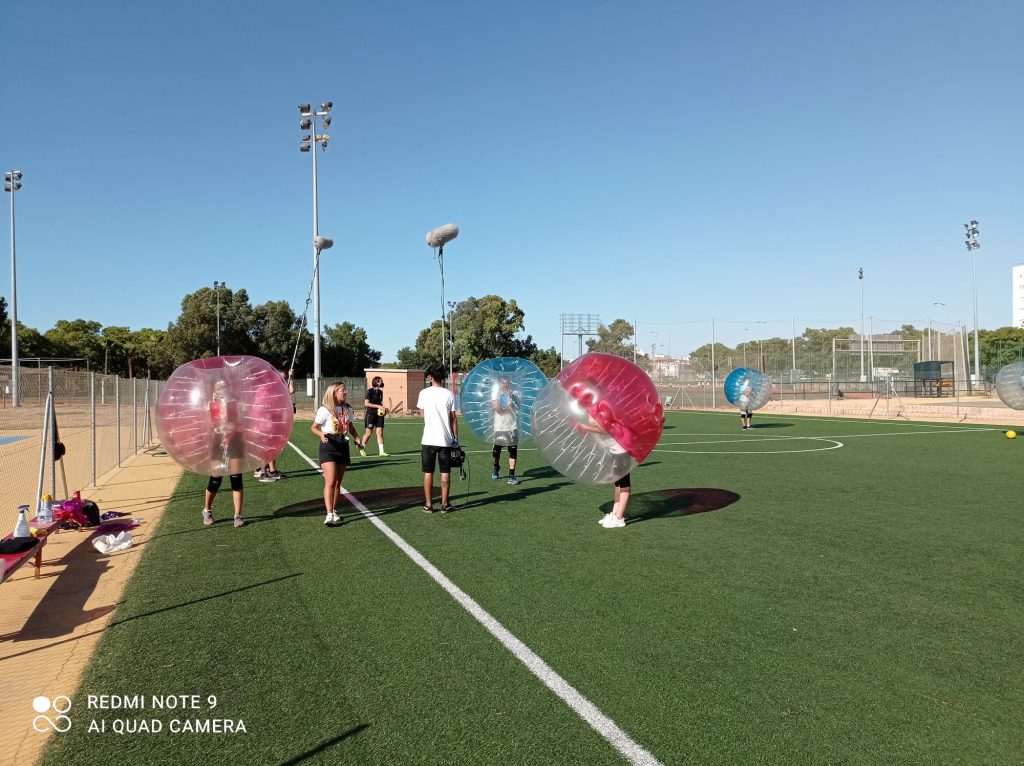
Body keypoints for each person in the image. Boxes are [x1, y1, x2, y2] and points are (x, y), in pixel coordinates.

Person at [311, 382, 366, 526]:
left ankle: (334, 511)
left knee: (337, 483)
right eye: (343, 390)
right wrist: (321, 434)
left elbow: (350, 425)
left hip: (343, 445)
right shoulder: (325, 410)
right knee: (330, 481)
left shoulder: (347, 408)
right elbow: (314, 427)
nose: (346, 392)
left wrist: (357, 438)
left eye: (345, 390)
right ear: (334, 393)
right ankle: (329, 514)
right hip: (328, 444)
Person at [416, 363, 458, 514]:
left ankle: (428, 505)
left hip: (428, 439)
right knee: (445, 472)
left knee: (428, 472)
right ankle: (445, 504)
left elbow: (422, 415)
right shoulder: (449, 394)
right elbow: (453, 418)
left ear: (431, 377)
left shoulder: (424, 393)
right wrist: (456, 439)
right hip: (445, 440)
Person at [204, 379, 245, 528]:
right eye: (218, 388)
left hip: (235, 441)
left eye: (224, 387)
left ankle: (237, 516)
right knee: (215, 479)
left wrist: (234, 423)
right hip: (218, 441)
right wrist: (213, 406)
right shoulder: (209, 405)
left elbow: (242, 421)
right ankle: (207, 510)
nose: (221, 391)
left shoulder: (235, 403)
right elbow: (207, 426)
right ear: (214, 390)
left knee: (236, 479)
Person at [255, 368, 296, 481]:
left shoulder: (276, 388)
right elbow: (262, 409)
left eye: (285, 378)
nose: (283, 380)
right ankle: (262, 472)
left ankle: (271, 471)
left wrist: (291, 377)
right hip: (265, 424)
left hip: (273, 423)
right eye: (282, 378)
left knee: (273, 448)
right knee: (266, 448)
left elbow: (291, 391)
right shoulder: (266, 389)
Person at [490, 376, 520, 485]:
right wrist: (508, 406)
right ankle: (495, 467)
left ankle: (511, 476)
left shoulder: (514, 393)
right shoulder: (495, 394)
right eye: (503, 383)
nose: (505, 385)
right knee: (496, 452)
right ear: (499, 384)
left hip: (512, 426)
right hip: (499, 426)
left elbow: (517, 408)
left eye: (507, 383)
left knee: (512, 451)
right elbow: (498, 410)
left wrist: (511, 399)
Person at [360, 375, 389, 457]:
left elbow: (380, 404)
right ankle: (362, 448)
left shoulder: (380, 392)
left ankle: (382, 452)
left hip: (379, 415)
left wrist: (384, 410)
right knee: (368, 433)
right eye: (380, 381)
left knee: (380, 433)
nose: (381, 382)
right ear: (375, 382)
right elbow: (366, 403)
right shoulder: (369, 391)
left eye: (382, 380)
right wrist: (378, 406)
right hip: (370, 414)